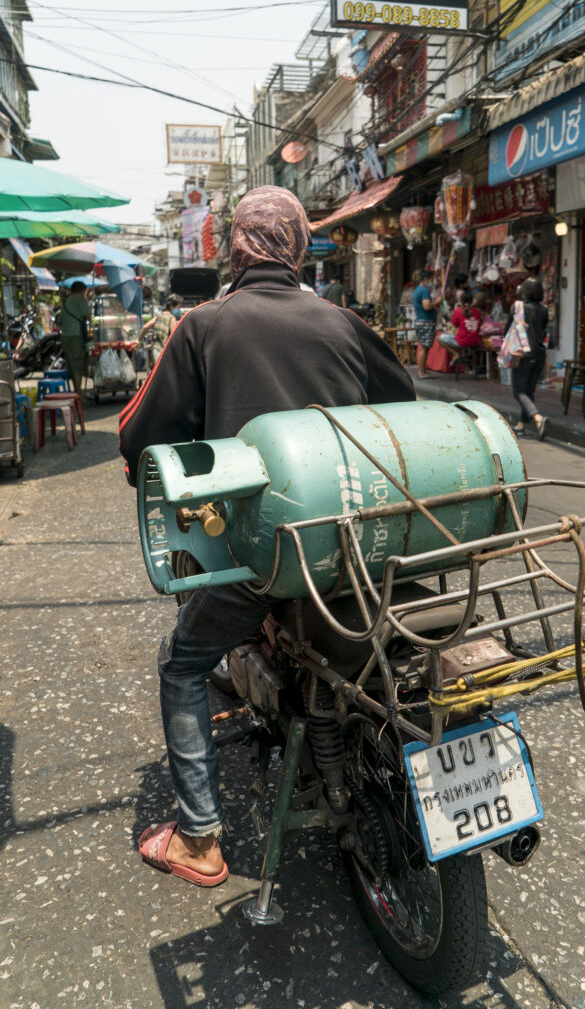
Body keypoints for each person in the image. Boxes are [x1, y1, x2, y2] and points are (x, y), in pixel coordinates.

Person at [118, 185, 414, 887]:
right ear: (301, 243)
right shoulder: (344, 323)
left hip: (267, 554)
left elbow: (141, 437)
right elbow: (404, 410)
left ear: (231, 248)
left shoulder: (203, 326)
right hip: (358, 537)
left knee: (182, 663)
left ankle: (199, 840)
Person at [509, 277, 548, 440]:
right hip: (539, 353)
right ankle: (522, 424)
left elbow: (509, 330)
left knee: (518, 391)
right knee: (529, 390)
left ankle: (537, 418)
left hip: (522, 354)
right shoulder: (544, 310)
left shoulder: (518, 308)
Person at [59, 281, 90, 399]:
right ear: (82, 290)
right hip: (75, 337)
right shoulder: (80, 298)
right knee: (78, 365)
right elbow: (88, 316)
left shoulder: (66, 301)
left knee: (71, 366)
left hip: (65, 337)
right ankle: (79, 395)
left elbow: (60, 320)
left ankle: (76, 392)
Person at [437, 290, 482, 366]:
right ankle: (463, 356)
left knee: (439, 338)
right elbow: (479, 324)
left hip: (462, 341)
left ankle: (456, 354)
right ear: (472, 301)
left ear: (461, 301)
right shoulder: (477, 312)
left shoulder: (458, 311)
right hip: (475, 341)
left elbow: (454, 325)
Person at [413, 269, 441, 379]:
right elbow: (427, 306)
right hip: (425, 321)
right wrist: (437, 302)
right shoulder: (424, 291)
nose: (431, 281)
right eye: (430, 279)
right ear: (425, 279)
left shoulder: (418, 290)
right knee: (424, 348)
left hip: (421, 321)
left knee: (424, 347)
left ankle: (422, 371)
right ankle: (421, 372)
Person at [137, 296, 176, 370]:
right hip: (165, 351)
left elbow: (145, 327)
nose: (178, 309)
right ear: (171, 306)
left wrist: (139, 339)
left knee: (157, 371)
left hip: (155, 349)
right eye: (178, 307)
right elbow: (173, 336)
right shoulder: (171, 318)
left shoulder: (159, 316)